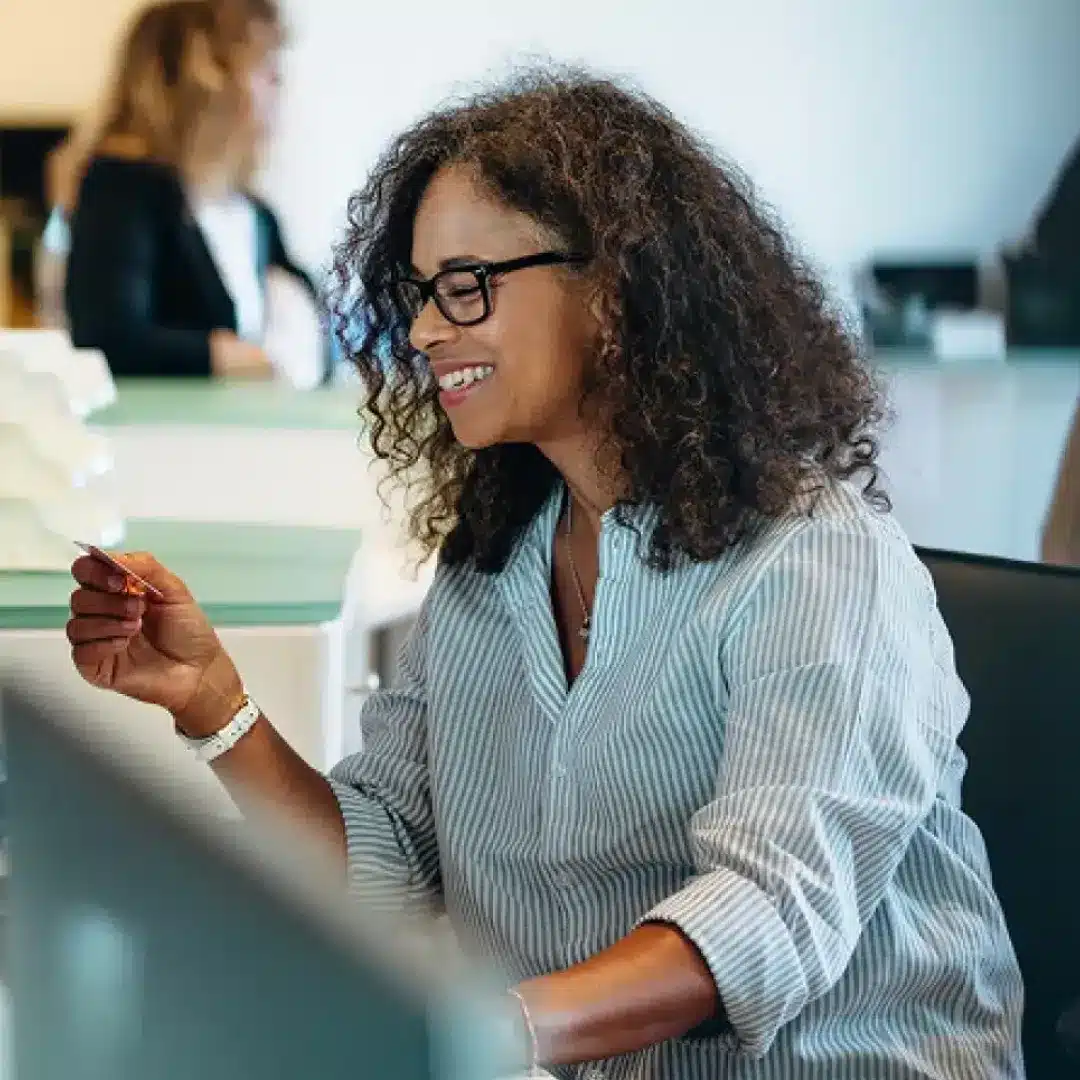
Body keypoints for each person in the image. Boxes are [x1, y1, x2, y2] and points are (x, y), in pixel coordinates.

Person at [67, 68, 1024, 1078]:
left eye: (466, 285)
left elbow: (769, 911)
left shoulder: (813, 555)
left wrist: (494, 1033)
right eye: (421, 295)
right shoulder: (496, 559)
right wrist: (215, 706)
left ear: (612, 289)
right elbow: (390, 860)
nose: (429, 331)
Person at [63, 0, 325, 385]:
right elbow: (110, 337)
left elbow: (315, 337)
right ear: (206, 80)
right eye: (265, 71)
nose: (280, 88)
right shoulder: (122, 188)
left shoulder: (255, 213)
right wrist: (245, 358)